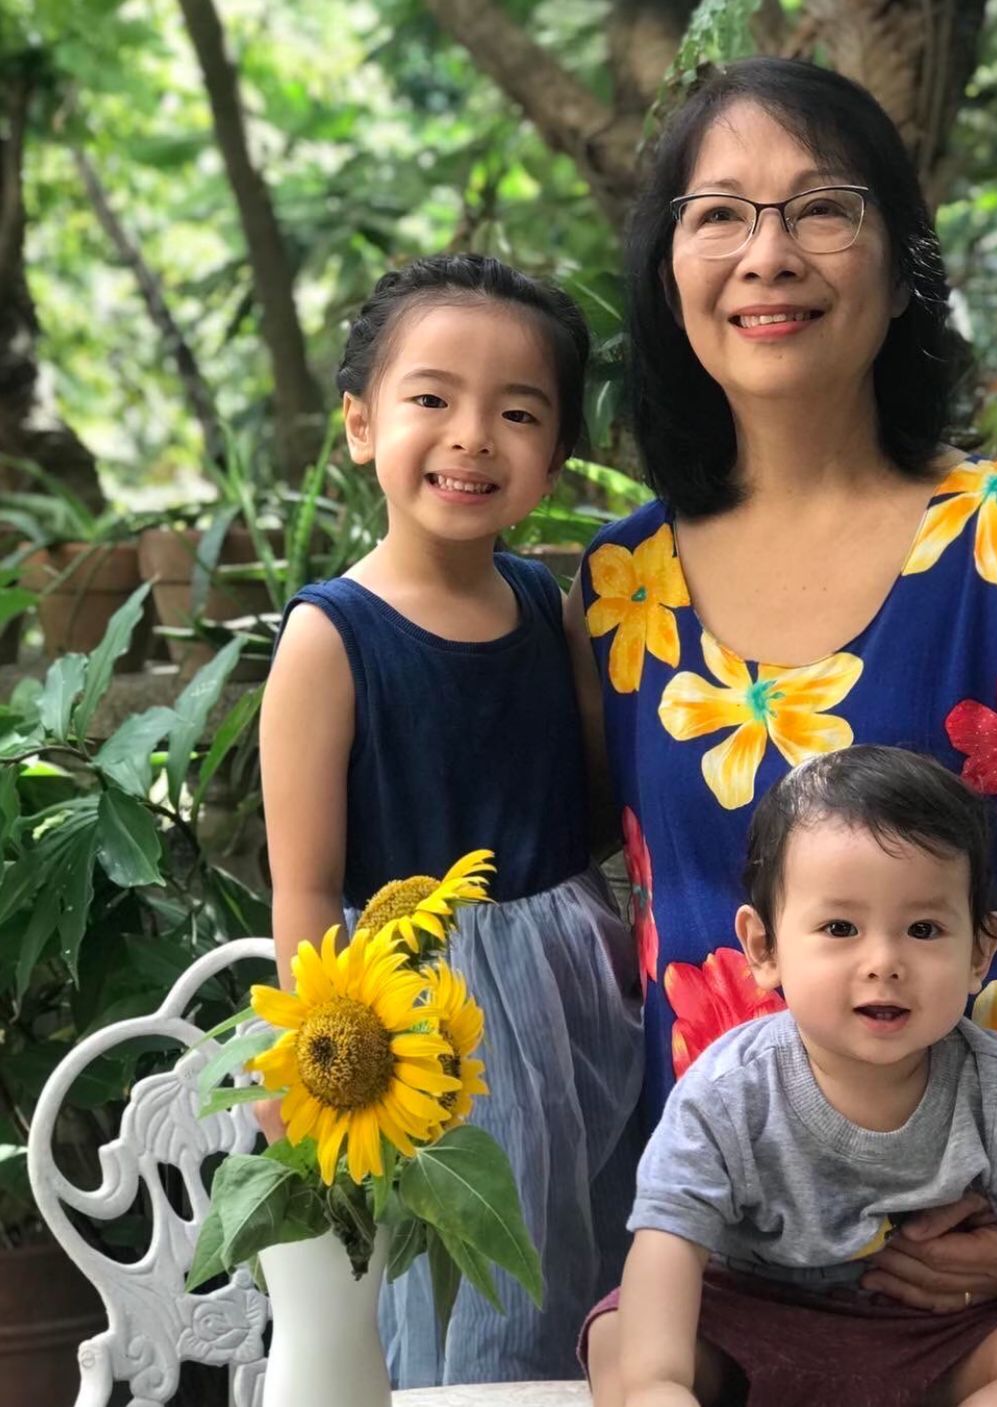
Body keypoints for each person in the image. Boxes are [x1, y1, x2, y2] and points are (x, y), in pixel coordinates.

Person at [565, 57, 997, 1402]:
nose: (768, 255)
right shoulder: (620, 586)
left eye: (822, 209)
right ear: (668, 272)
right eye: (718, 213)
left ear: (904, 269)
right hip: (736, 1250)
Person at [260, 253, 643, 1386]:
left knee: (605, 1266)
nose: (473, 437)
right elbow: (303, 885)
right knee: (480, 1286)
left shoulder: (544, 603)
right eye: (432, 397)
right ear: (360, 424)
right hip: (435, 1018)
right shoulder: (331, 637)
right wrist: (306, 1080)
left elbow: (590, 800)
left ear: (555, 456)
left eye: (518, 412)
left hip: (583, 983)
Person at [584, 746, 997, 1407]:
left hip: (924, 1335)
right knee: (622, 1337)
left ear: (980, 951)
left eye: (923, 928)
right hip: (751, 1319)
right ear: (764, 947)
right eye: (841, 927)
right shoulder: (729, 1090)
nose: (883, 961)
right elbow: (668, 1240)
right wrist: (659, 1382)